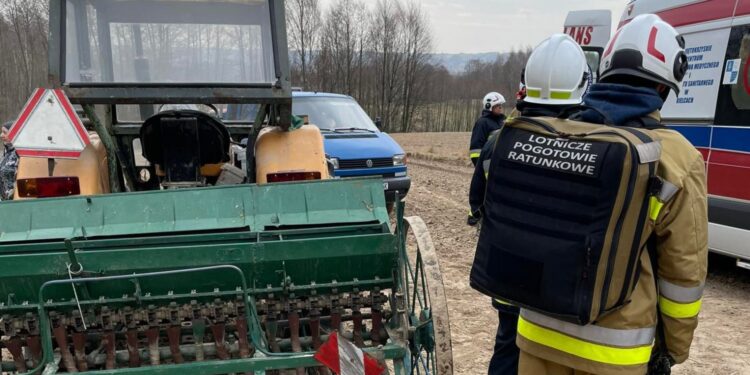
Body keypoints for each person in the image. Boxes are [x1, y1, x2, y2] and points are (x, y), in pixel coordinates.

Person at [515, 14, 707, 375]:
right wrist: (672, 350)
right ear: (664, 89)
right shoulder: (677, 158)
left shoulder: (557, 133)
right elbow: (683, 273)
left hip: (536, 332)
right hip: (613, 353)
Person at [468, 33, 592, 375]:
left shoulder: (499, 140)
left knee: (507, 343)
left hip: (506, 275)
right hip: (557, 286)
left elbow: (477, 195)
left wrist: (477, 215)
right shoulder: (588, 148)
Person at [469, 92, 506, 167]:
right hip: (488, 165)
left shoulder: (503, 121)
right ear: (489, 106)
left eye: (500, 105)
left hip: (501, 164)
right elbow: (475, 150)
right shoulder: (482, 123)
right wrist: (479, 167)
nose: (500, 108)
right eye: (497, 105)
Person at [0, 122, 19, 201]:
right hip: (5, 202)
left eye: (5, 132)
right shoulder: (7, 152)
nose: (1, 135)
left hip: (17, 201)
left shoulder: (19, 152)